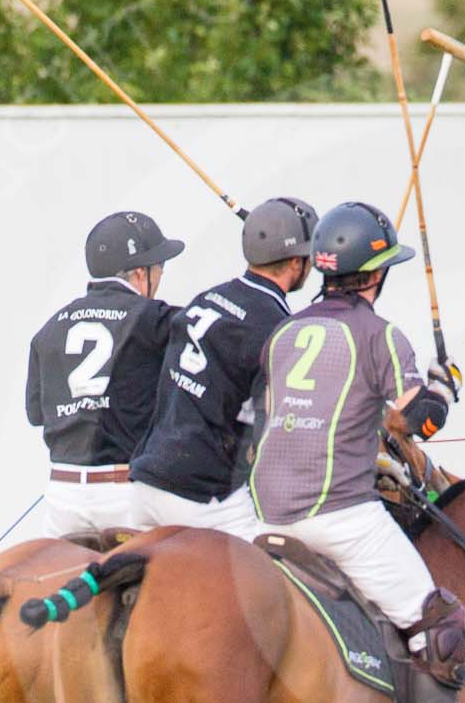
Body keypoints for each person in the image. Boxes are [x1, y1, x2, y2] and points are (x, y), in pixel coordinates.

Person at [248, 200, 465, 703]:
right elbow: (414, 420)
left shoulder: (284, 331)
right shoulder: (379, 335)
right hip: (337, 514)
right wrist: (442, 387)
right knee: (444, 624)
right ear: (373, 275)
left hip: (265, 515)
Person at [121, 199, 318, 536]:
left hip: (143, 485)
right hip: (199, 497)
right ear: (297, 263)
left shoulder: (206, 298)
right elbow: (278, 433)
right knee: (284, 569)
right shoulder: (277, 328)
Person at [24, 211, 185, 536]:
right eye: (159, 270)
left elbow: (36, 414)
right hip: (126, 497)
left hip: (62, 498)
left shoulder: (50, 327)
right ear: (141, 274)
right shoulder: (156, 319)